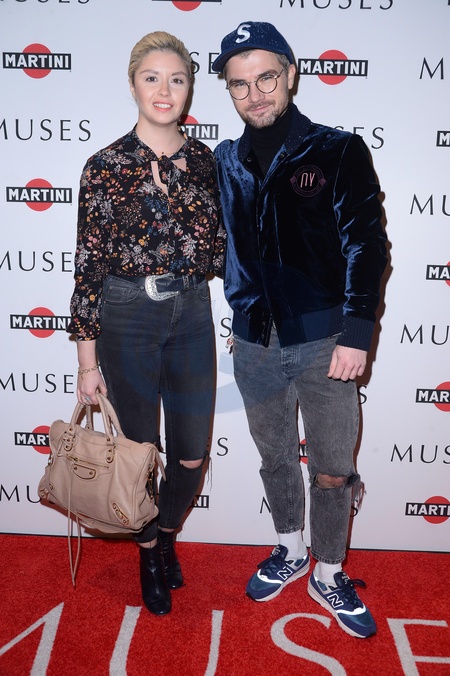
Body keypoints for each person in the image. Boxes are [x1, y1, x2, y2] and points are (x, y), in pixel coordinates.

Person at [212, 21, 387, 638]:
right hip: (253, 342)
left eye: (266, 77)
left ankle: (329, 571)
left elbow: (367, 244)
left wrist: (357, 331)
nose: (255, 93)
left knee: (333, 466)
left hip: (325, 343)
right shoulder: (224, 161)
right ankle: (289, 548)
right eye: (240, 84)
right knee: (275, 456)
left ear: (290, 74)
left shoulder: (338, 150)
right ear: (229, 92)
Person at [67, 31, 225, 616]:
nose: (165, 90)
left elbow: (219, 251)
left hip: (192, 312)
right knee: (139, 452)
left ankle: (166, 532)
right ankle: (150, 551)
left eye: (177, 79)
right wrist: (87, 363)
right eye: (152, 77)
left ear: (189, 89)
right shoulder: (104, 166)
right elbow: (88, 266)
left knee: (191, 454)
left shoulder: (206, 162)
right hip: (127, 315)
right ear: (133, 84)